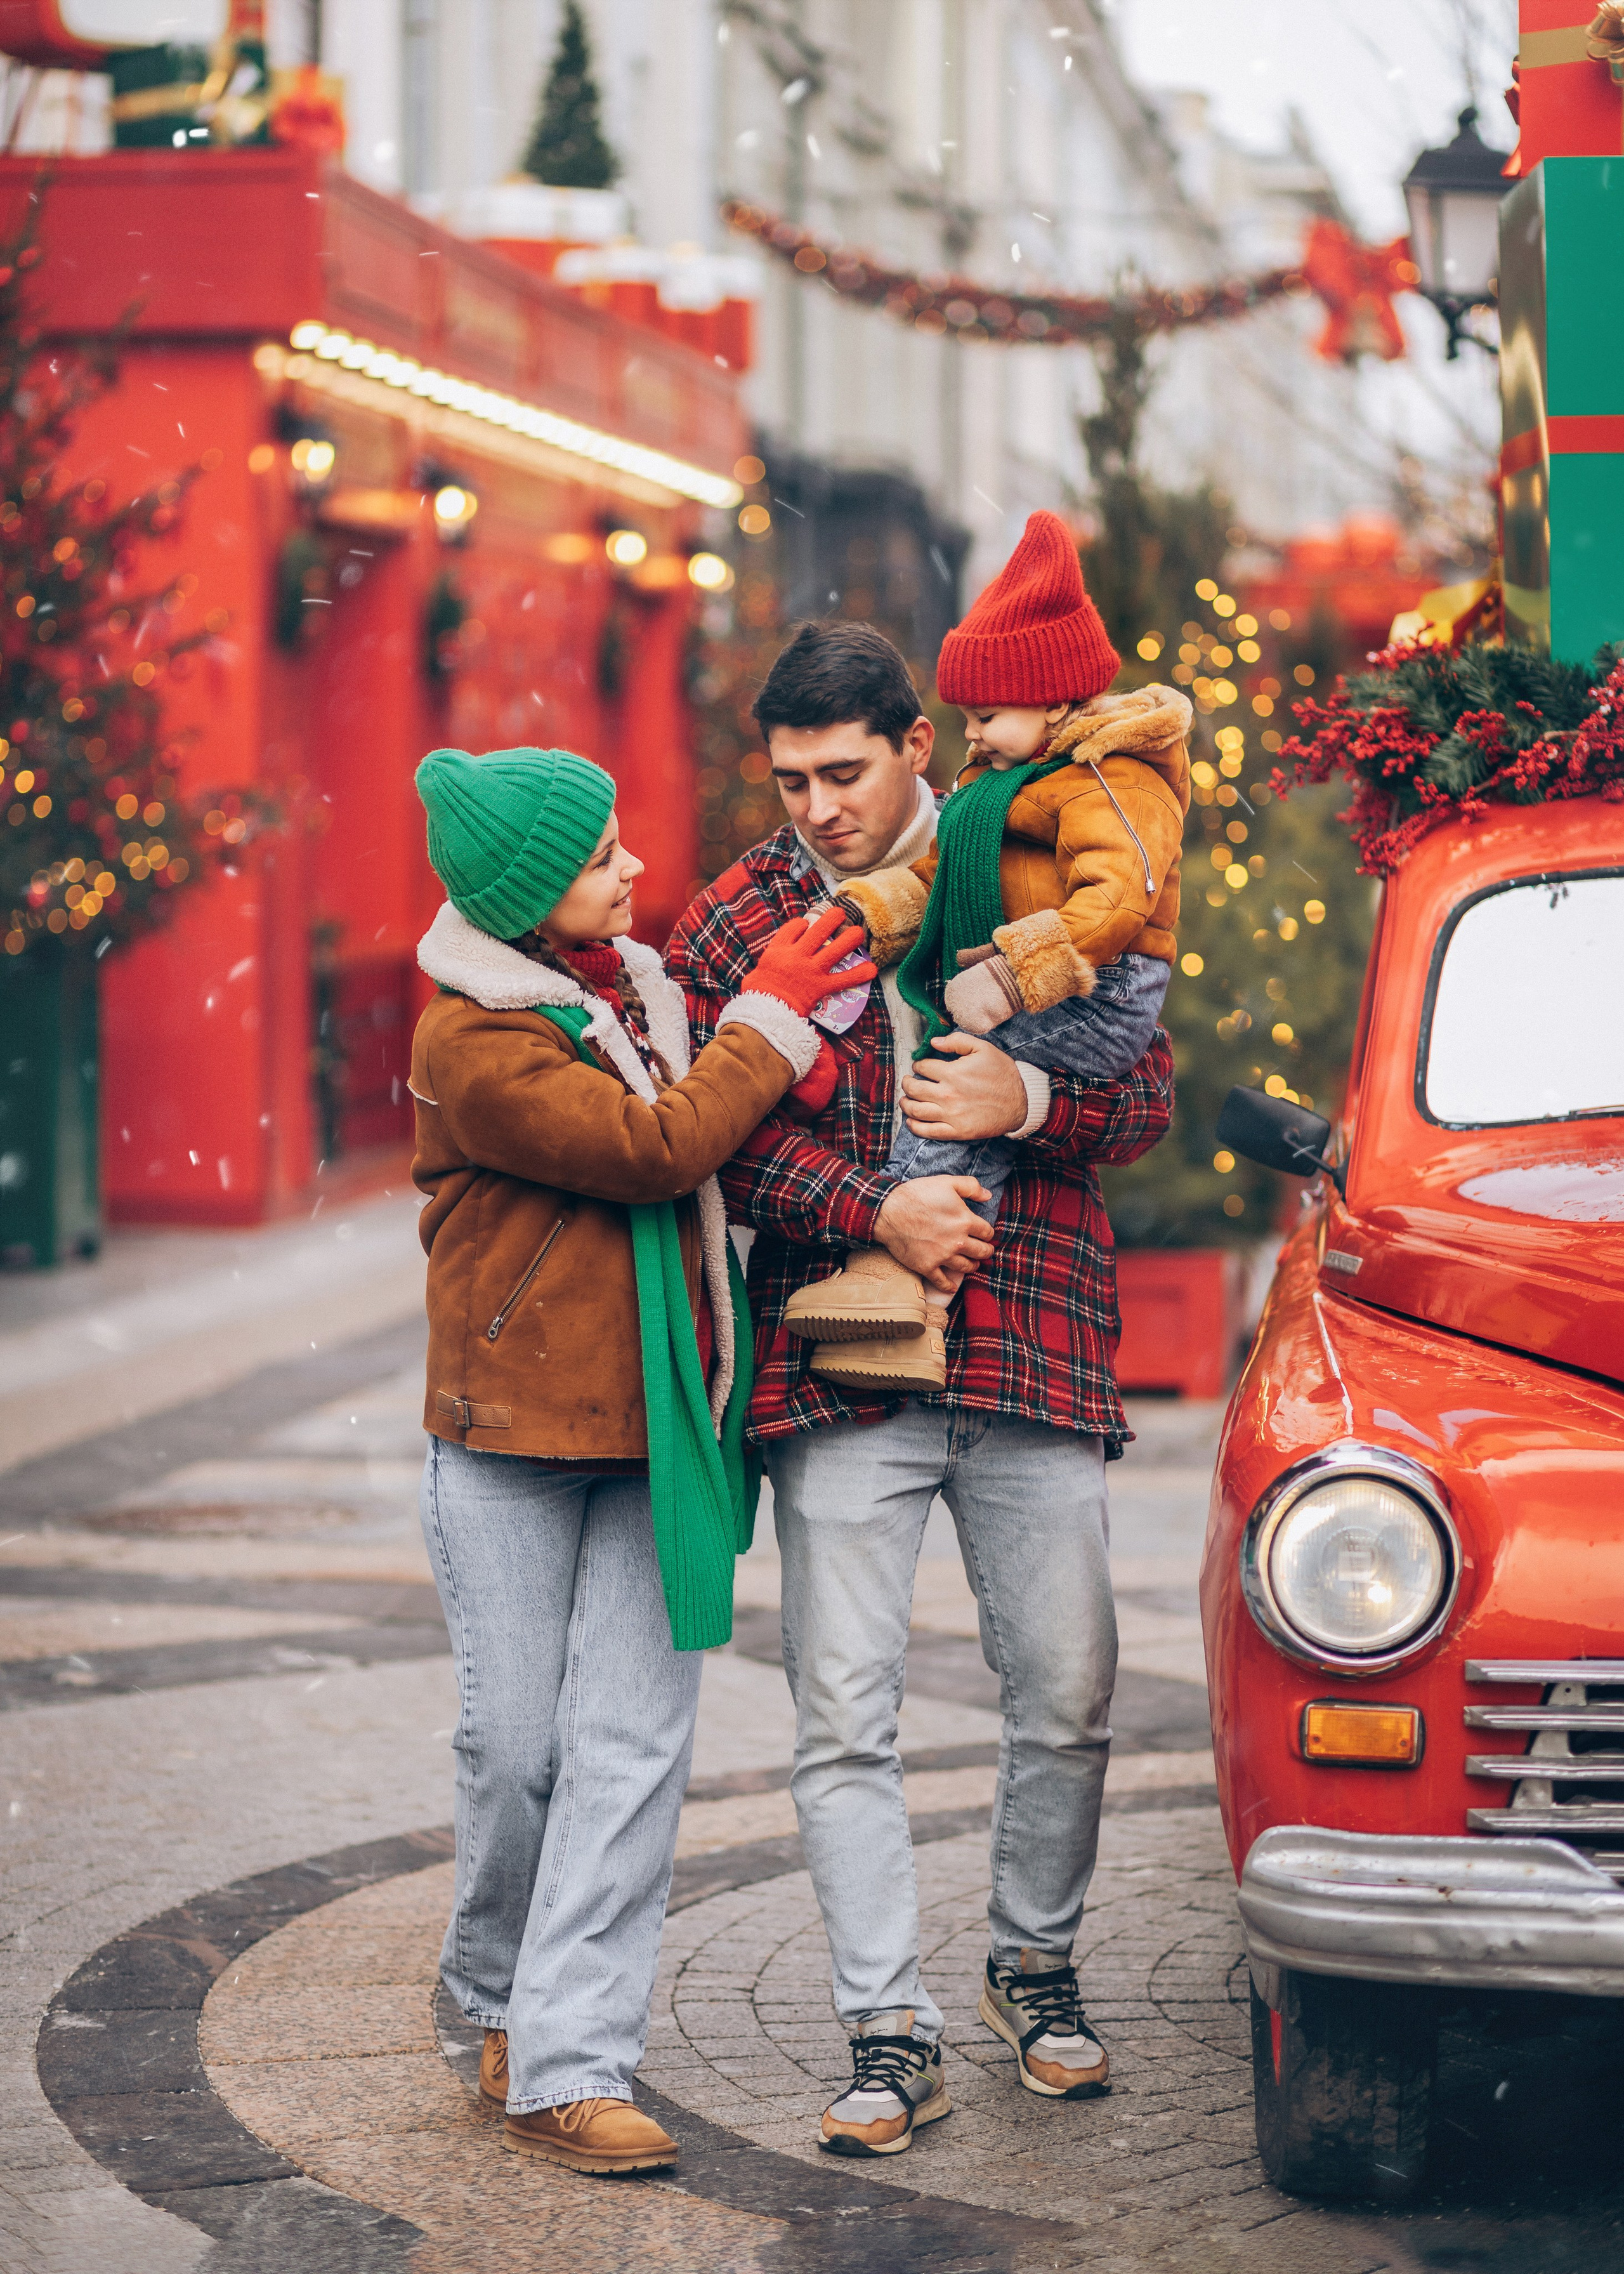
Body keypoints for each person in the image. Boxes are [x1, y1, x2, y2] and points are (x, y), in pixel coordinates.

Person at [665, 625, 1174, 2159]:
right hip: (843, 1366)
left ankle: (1035, 1963)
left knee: (1071, 1689)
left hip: (1031, 1339)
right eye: (789, 780)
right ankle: (887, 2028)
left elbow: (1141, 1083)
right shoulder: (734, 920)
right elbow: (718, 1129)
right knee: (839, 1708)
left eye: (843, 772)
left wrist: (1024, 1094)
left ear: (917, 750)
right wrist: (867, 1206)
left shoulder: (1035, 831)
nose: (816, 807)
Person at [410, 744, 873, 2177]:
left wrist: (788, 1030)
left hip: (663, 1423)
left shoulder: (651, 996)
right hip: (507, 1435)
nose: (633, 871)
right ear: (529, 892)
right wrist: (772, 1025)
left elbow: (714, 1129)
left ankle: (569, 2062)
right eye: (602, 855)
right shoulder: (474, 1038)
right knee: (517, 1752)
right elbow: (655, 1146)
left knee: (630, 1755)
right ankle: (491, 1994)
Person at [784, 510, 1191, 1394]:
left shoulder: (1111, 781)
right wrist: (867, 910)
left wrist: (1012, 980)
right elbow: (936, 879)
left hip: (1099, 984)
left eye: (989, 715)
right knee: (955, 1081)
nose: (974, 733)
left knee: (958, 1075)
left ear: (1056, 700)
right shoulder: (1000, 787)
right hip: (1041, 974)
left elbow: (1121, 898)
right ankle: (911, 1293)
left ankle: (911, 1282)